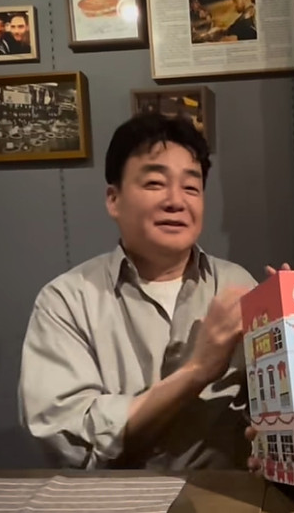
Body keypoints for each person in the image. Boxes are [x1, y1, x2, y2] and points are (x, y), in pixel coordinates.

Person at [19, 113, 261, 471]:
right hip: (115, 497)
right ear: (113, 199)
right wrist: (197, 370)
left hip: (222, 495)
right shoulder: (67, 300)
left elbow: (268, 408)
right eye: (154, 183)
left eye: (191, 187)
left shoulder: (236, 285)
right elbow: (67, 441)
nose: (176, 201)